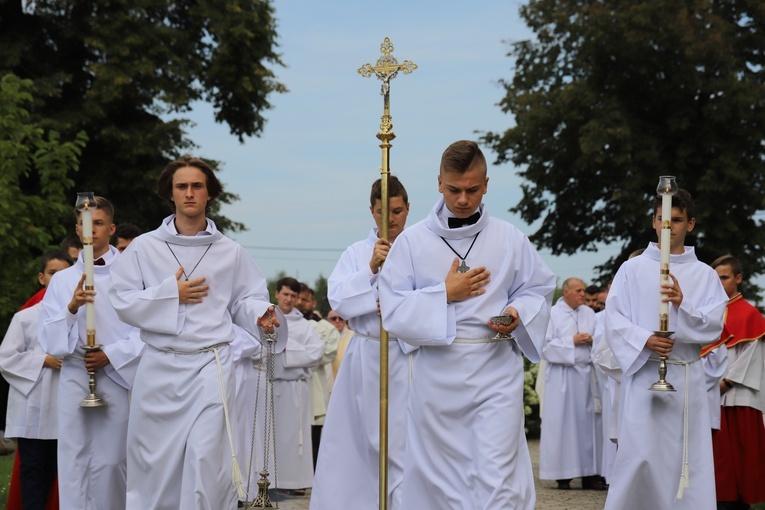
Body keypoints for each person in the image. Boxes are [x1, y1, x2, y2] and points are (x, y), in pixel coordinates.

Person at [379, 140, 555, 509]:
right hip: (436, 379)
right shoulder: (411, 242)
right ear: (439, 183)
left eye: (472, 190)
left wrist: (518, 313)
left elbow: (538, 288)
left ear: (486, 184)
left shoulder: (509, 237)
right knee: (441, 483)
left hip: (494, 371)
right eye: (454, 189)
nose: (463, 199)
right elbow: (393, 311)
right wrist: (444, 293)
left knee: (497, 475)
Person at [108, 155, 285, 510]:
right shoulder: (144, 247)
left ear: (209, 194)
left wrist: (261, 313)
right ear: (169, 194)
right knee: (154, 467)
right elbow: (121, 299)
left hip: (211, 366)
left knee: (207, 460)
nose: (189, 193)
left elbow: (246, 298)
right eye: (181, 186)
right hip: (159, 367)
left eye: (197, 186)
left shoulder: (230, 251)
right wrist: (171, 294)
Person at [603, 188, 727, 510]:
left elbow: (715, 324)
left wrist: (683, 305)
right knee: (641, 457)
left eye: (677, 220)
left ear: (691, 224)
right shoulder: (631, 270)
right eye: (663, 220)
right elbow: (614, 319)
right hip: (644, 376)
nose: (669, 227)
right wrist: (645, 339)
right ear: (653, 222)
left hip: (686, 380)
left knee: (687, 462)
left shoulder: (706, 275)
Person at [311, 175, 412, 510]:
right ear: (372, 211)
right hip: (367, 353)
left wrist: (404, 306)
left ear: (408, 208)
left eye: (397, 211)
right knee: (360, 443)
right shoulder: (356, 253)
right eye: (384, 212)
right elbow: (339, 300)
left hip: (409, 356)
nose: (391, 220)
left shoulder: (421, 247)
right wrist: (370, 270)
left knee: (402, 442)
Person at [39, 196, 144, 510]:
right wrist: (71, 308)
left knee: (112, 462)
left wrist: (110, 354)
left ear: (111, 228)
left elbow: (143, 330)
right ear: (76, 229)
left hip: (115, 376)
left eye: (99, 223)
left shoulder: (131, 275)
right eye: (86, 224)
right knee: (74, 461)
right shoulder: (61, 281)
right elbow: (48, 337)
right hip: (74, 377)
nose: (92, 230)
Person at [0, 250, 71, 510]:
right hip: (32, 408)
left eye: (64, 273)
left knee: (53, 472)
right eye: (53, 273)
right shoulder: (26, 317)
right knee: (31, 470)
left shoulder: (78, 316)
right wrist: (44, 360)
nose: (58, 278)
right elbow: (5, 358)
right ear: (42, 277)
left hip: (61, 406)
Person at [706, 254, 765, 510]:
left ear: (738, 279)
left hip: (738, 395)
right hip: (710, 394)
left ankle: (740, 502)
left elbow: (752, 356)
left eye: (725, 277)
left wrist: (726, 383)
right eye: (715, 278)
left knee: (742, 454)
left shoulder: (750, 314)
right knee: (718, 457)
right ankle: (720, 500)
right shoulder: (707, 313)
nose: (719, 283)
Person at [539, 277, 605, 490]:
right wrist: (571, 341)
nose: (582, 294)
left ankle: (590, 474)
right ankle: (563, 475)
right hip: (562, 377)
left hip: (586, 375)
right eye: (578, 290)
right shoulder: (552, 314)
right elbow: (544, 347)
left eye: (583, 290)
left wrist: (593, 341)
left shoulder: (588, 313)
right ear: (565, 292)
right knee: (563, 425)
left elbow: (602, 340)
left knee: (588, 427)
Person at [260, 277, 323, 495]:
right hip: (271, 386)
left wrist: (286, 350)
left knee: (296, 438)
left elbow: (317, 352)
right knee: (269, 435)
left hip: (296, 389)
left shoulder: (303, 325)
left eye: (293, 296)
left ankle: (295, 482)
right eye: (285, 294)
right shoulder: (265, 318)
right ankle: (269, 480)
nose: (289, 299)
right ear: (276, 294)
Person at [295, 283, 339, 470]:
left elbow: (326, 353)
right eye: (299, 298)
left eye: (305, 299)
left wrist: (296, 354)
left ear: (313, 303)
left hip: (314, 385)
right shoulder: (285, 322)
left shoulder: (325, 328)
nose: (300, 303)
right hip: (290, 383)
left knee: (312, 434)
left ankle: (311, 474)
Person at [326, 309, 353, 378]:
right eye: (333, 318)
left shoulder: (353, 336)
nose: (337, 321)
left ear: (345, 320)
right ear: (328, 320)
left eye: (341, 318)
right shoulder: (323, 337)